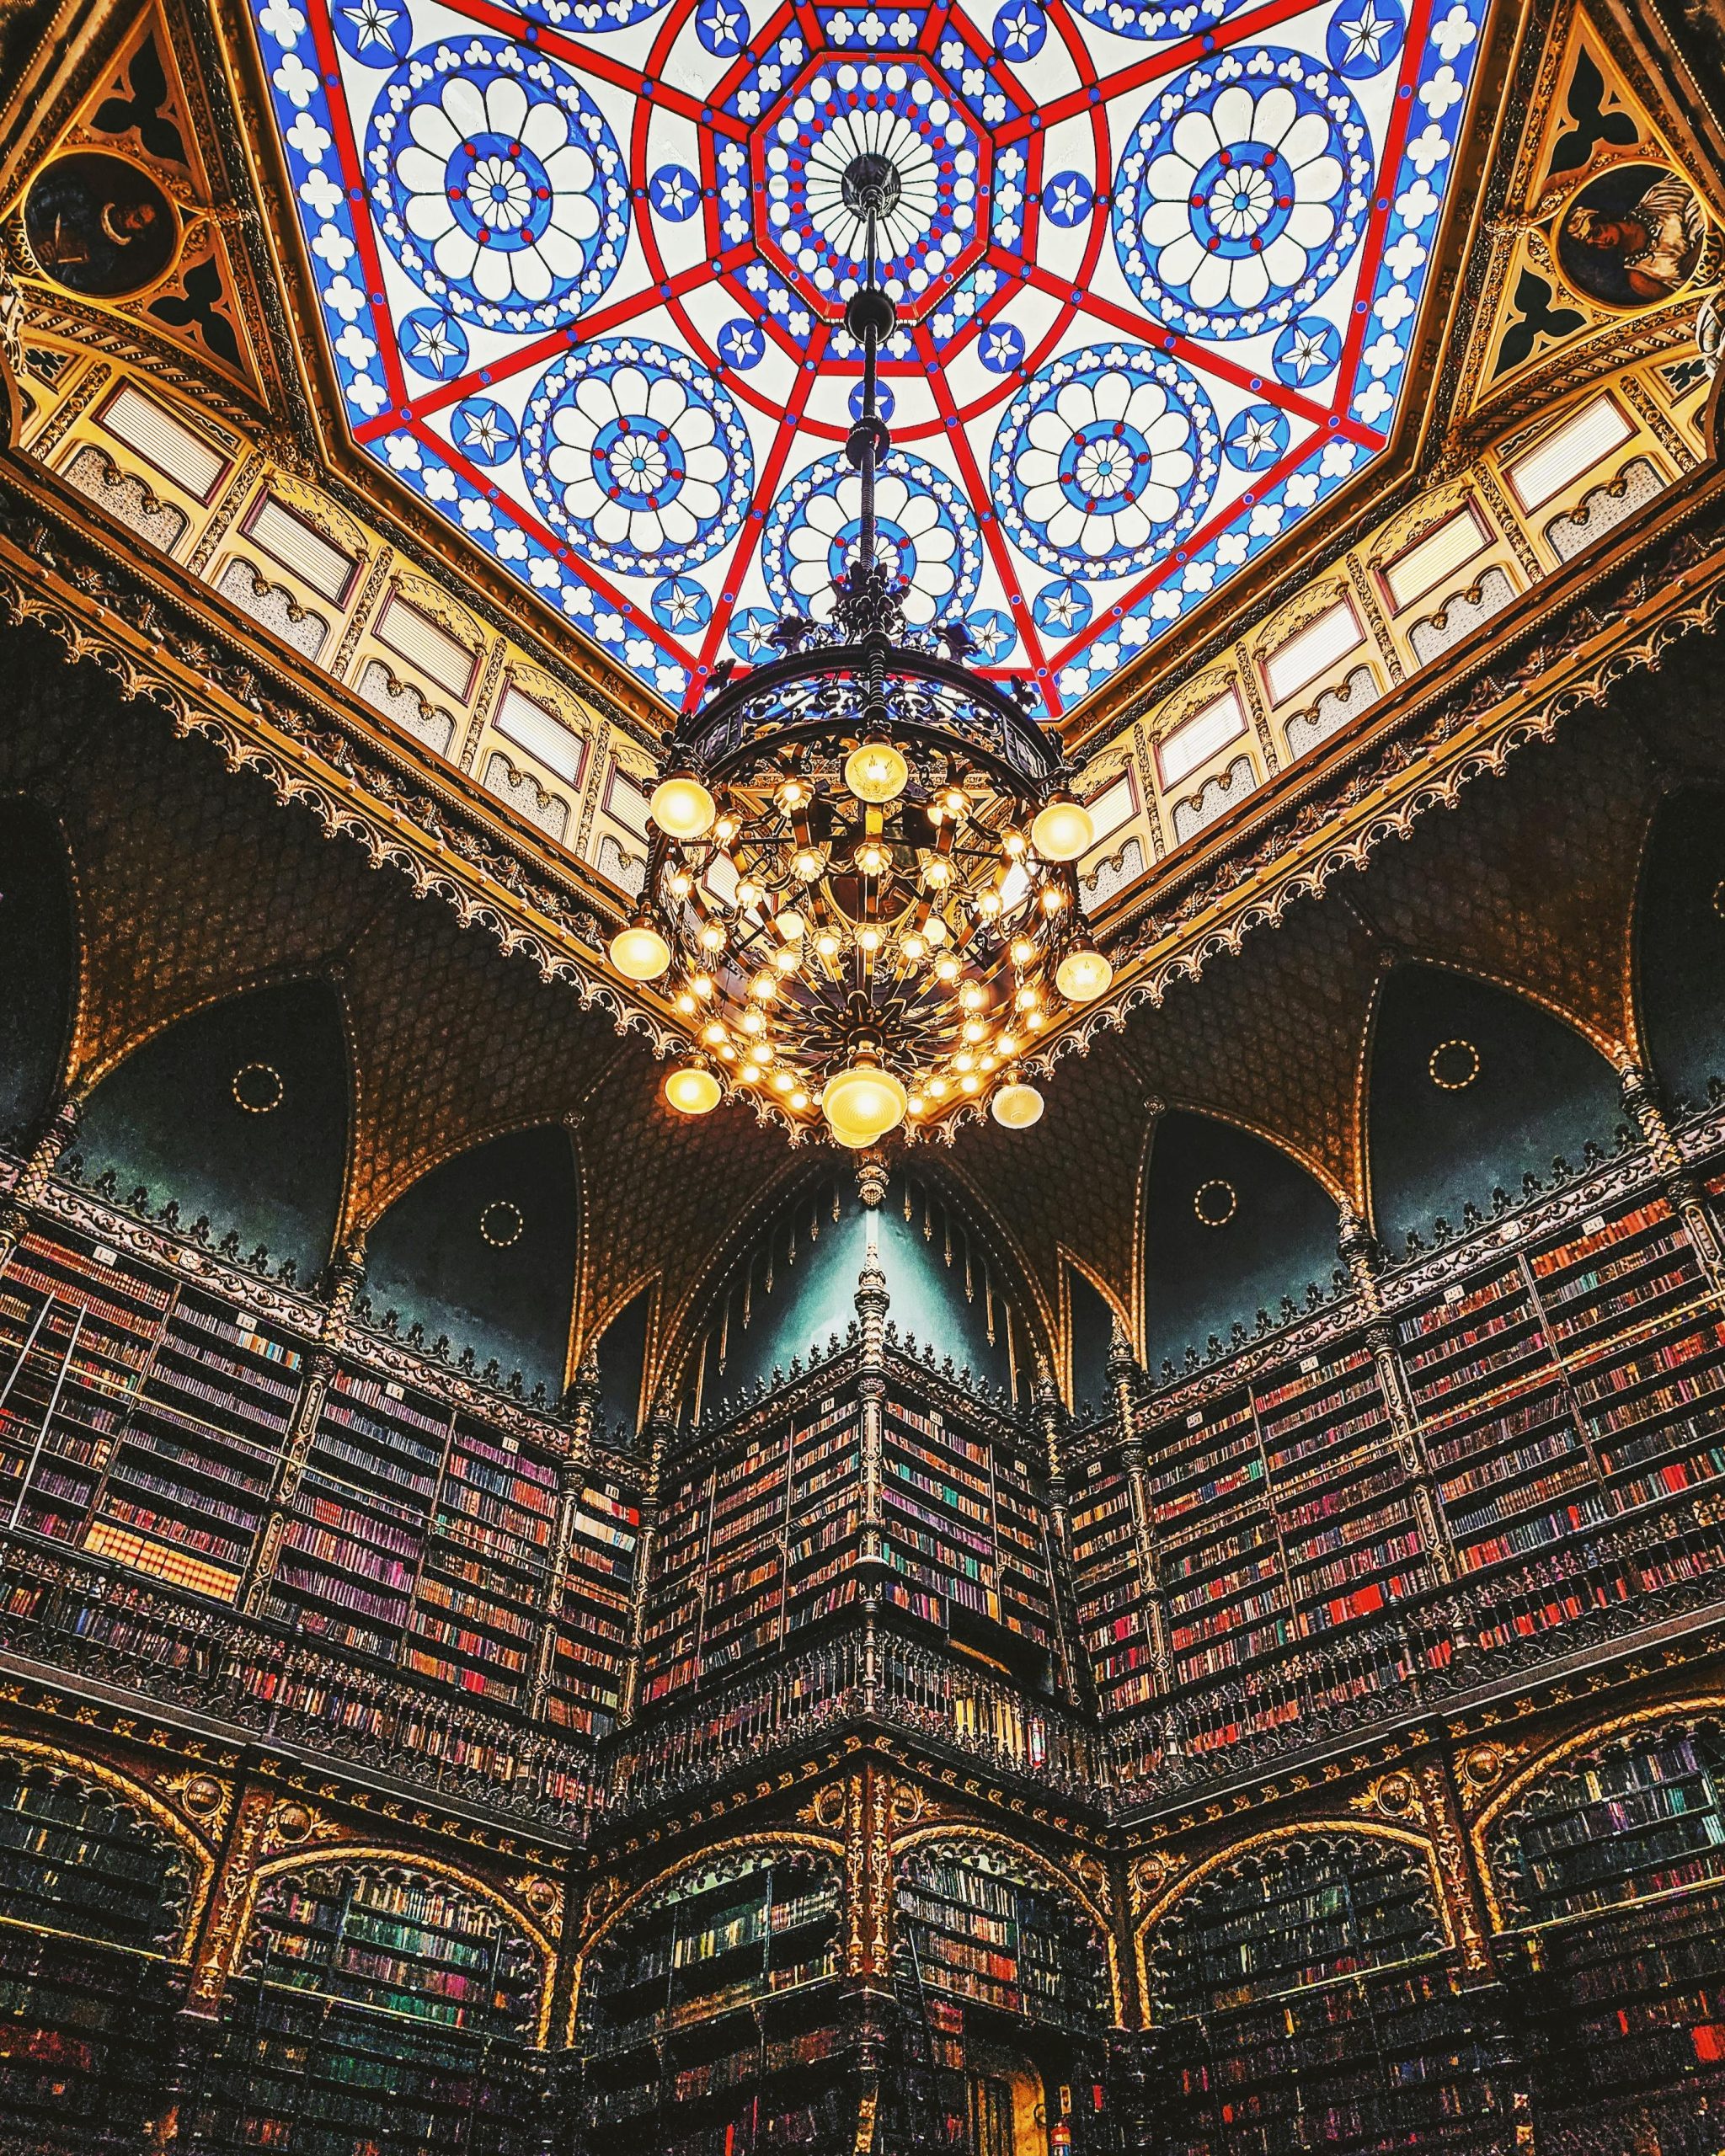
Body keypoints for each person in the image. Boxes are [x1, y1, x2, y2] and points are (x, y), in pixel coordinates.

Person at [1567, 170, 1704, 302]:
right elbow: (1684, 303)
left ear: (1605, 218)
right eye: (1595, 245)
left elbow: (1699, 180)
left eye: (1597, 233)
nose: (1602, 242)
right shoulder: (1640, 279)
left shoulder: (1656, 200)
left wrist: (1702, 243)